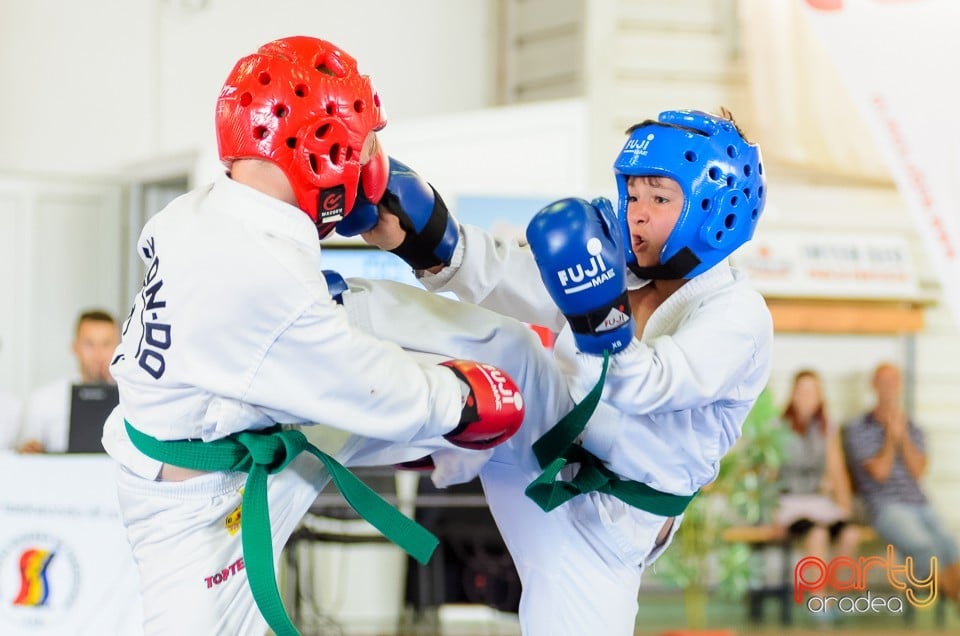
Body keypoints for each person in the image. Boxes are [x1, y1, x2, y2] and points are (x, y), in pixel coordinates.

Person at [100, 36, 533, 636]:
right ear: (321, 152)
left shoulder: (194, 213)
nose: (372, 160)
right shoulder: (270, 283)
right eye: (363, 145)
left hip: (223, 427)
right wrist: (460, 399)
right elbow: (376, 388)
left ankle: (457, 455)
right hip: (201, 505)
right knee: (458, 408)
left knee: (439, 407)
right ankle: (460, 447)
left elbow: (289, 323)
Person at [340, 108, 774, 635]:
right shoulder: (626, 269)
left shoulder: (737, 316)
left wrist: (598, 312)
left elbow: (652, 384)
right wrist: (426, 235)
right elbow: (508, 276)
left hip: (608, 528)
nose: (636, 213)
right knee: (509, 347)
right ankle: (334, 316)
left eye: (659, 198)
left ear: (716, 210)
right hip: (547, 444)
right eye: (632, 194)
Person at [844, 362, 960, 605]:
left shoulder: (913, 427)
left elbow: (918, 471)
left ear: (900, 387)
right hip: (884, 505)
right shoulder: (859, 427)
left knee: (951, 548)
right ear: (873, 386)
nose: (888, 388)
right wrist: (890, 437)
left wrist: (902, 435)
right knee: (925, 549)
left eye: (893, 382)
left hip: (919, 502)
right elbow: (880, 473)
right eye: (884, 382)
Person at [774, 370, 860, 571]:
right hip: (788, 502)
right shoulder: (778, 428)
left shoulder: (827, 429)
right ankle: (818, 599)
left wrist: (845, 507)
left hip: (818, 501)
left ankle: (831, 592)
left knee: (850, 534)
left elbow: (837, 471)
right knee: (817, 535)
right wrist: (770, 516)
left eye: (812, 392)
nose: (806, 398)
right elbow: (767, 473)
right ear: (793, 394)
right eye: (802, 392)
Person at [17, 309, 118, 453]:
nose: (98, 353)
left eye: (106, 344)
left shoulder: (133, 398)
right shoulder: (43, 399)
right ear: (75, 347)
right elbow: (26, 454)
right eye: (89, 344)